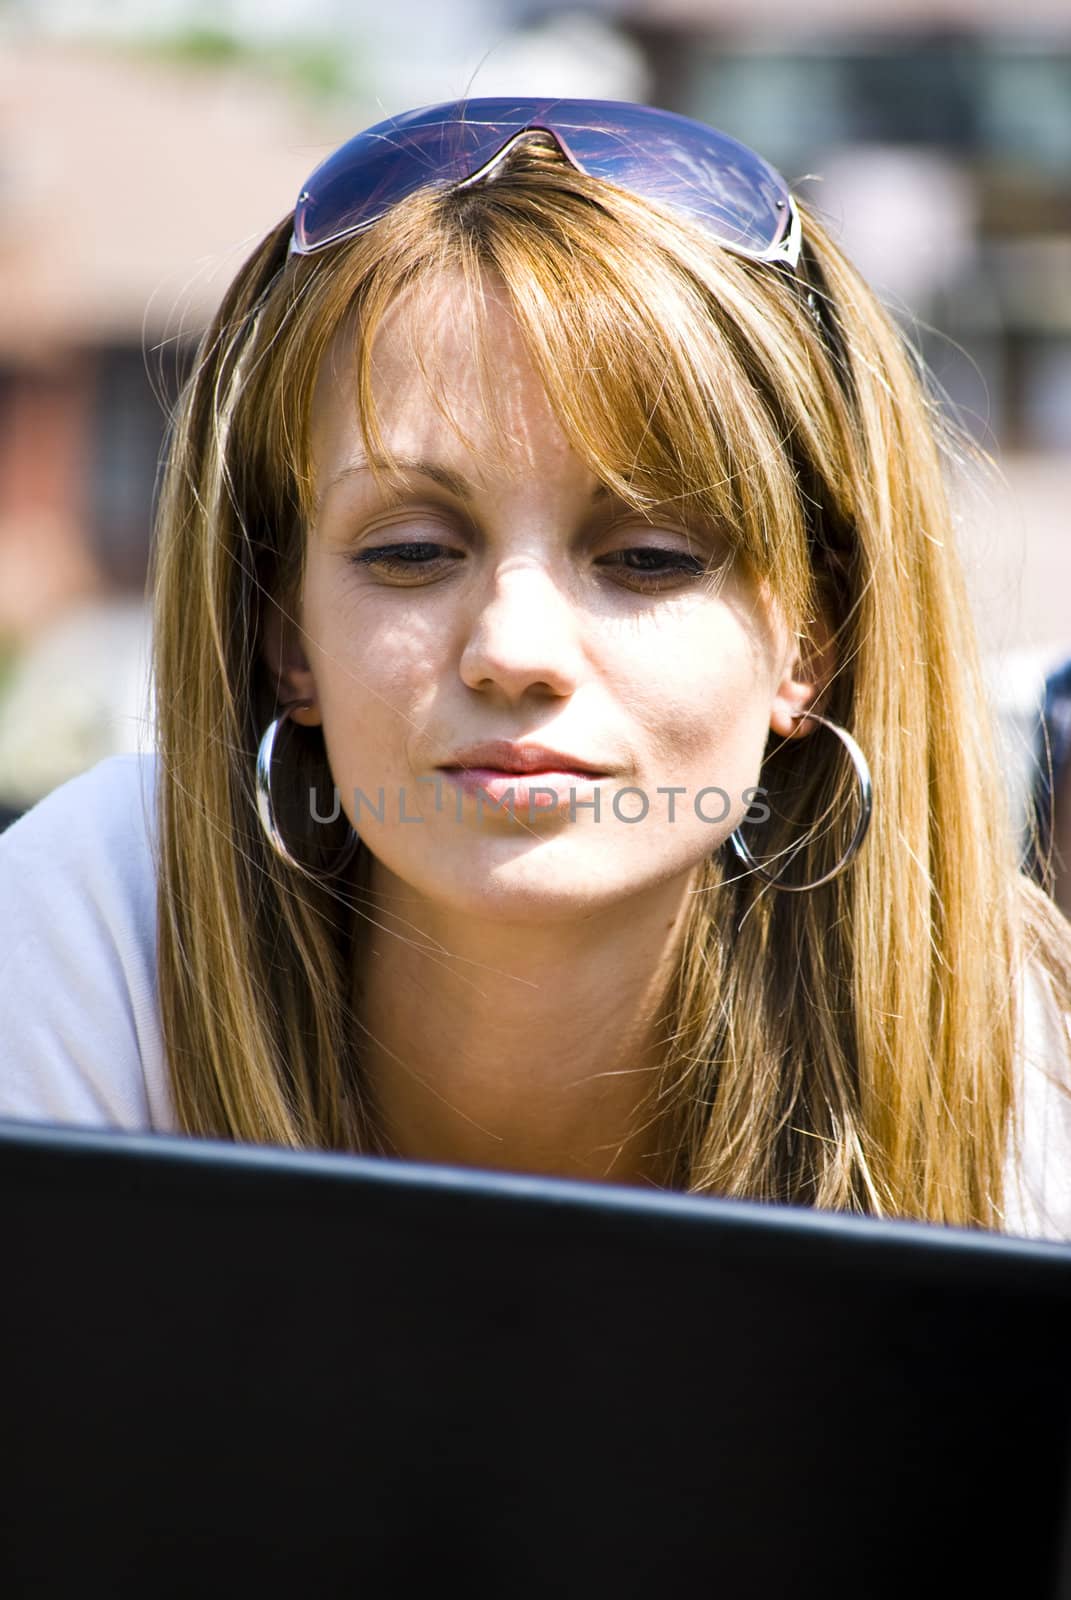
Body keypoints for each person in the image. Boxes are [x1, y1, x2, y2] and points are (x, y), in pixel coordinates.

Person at [2, 97, 1070, 1239]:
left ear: (815, 642)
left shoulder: (1017, 1078)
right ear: (283, 630)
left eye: (649, 559)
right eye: (410, 552)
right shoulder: (95, 924)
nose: (514, 650)